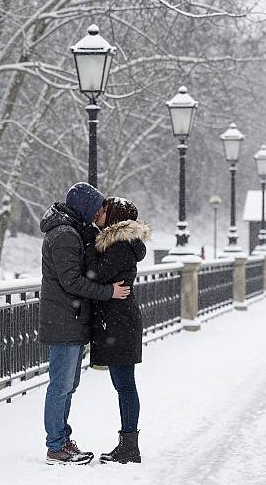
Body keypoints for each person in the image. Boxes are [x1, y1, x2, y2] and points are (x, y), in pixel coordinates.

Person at [39, 183, 130, 466]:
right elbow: (72, 281)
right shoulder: (65, 235)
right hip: (65, 320)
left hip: (70, 319)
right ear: (85, 208)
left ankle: (62, 439)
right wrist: (109, 292)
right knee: (61, 386)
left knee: (68, 385)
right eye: (99, 208)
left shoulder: (72, 230)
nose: (101, 212)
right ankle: (56, 446)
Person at [83, 196, 150, 465]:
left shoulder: (120, 246)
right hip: (120, 321)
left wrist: (89, 242)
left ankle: (129, 447)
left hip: (120, 323)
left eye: (104, 210)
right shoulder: (121, 244)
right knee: (124, 385)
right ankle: (128, 444)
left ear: (114, 218)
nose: (99, 213)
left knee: (124, 386)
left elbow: (94, 273)